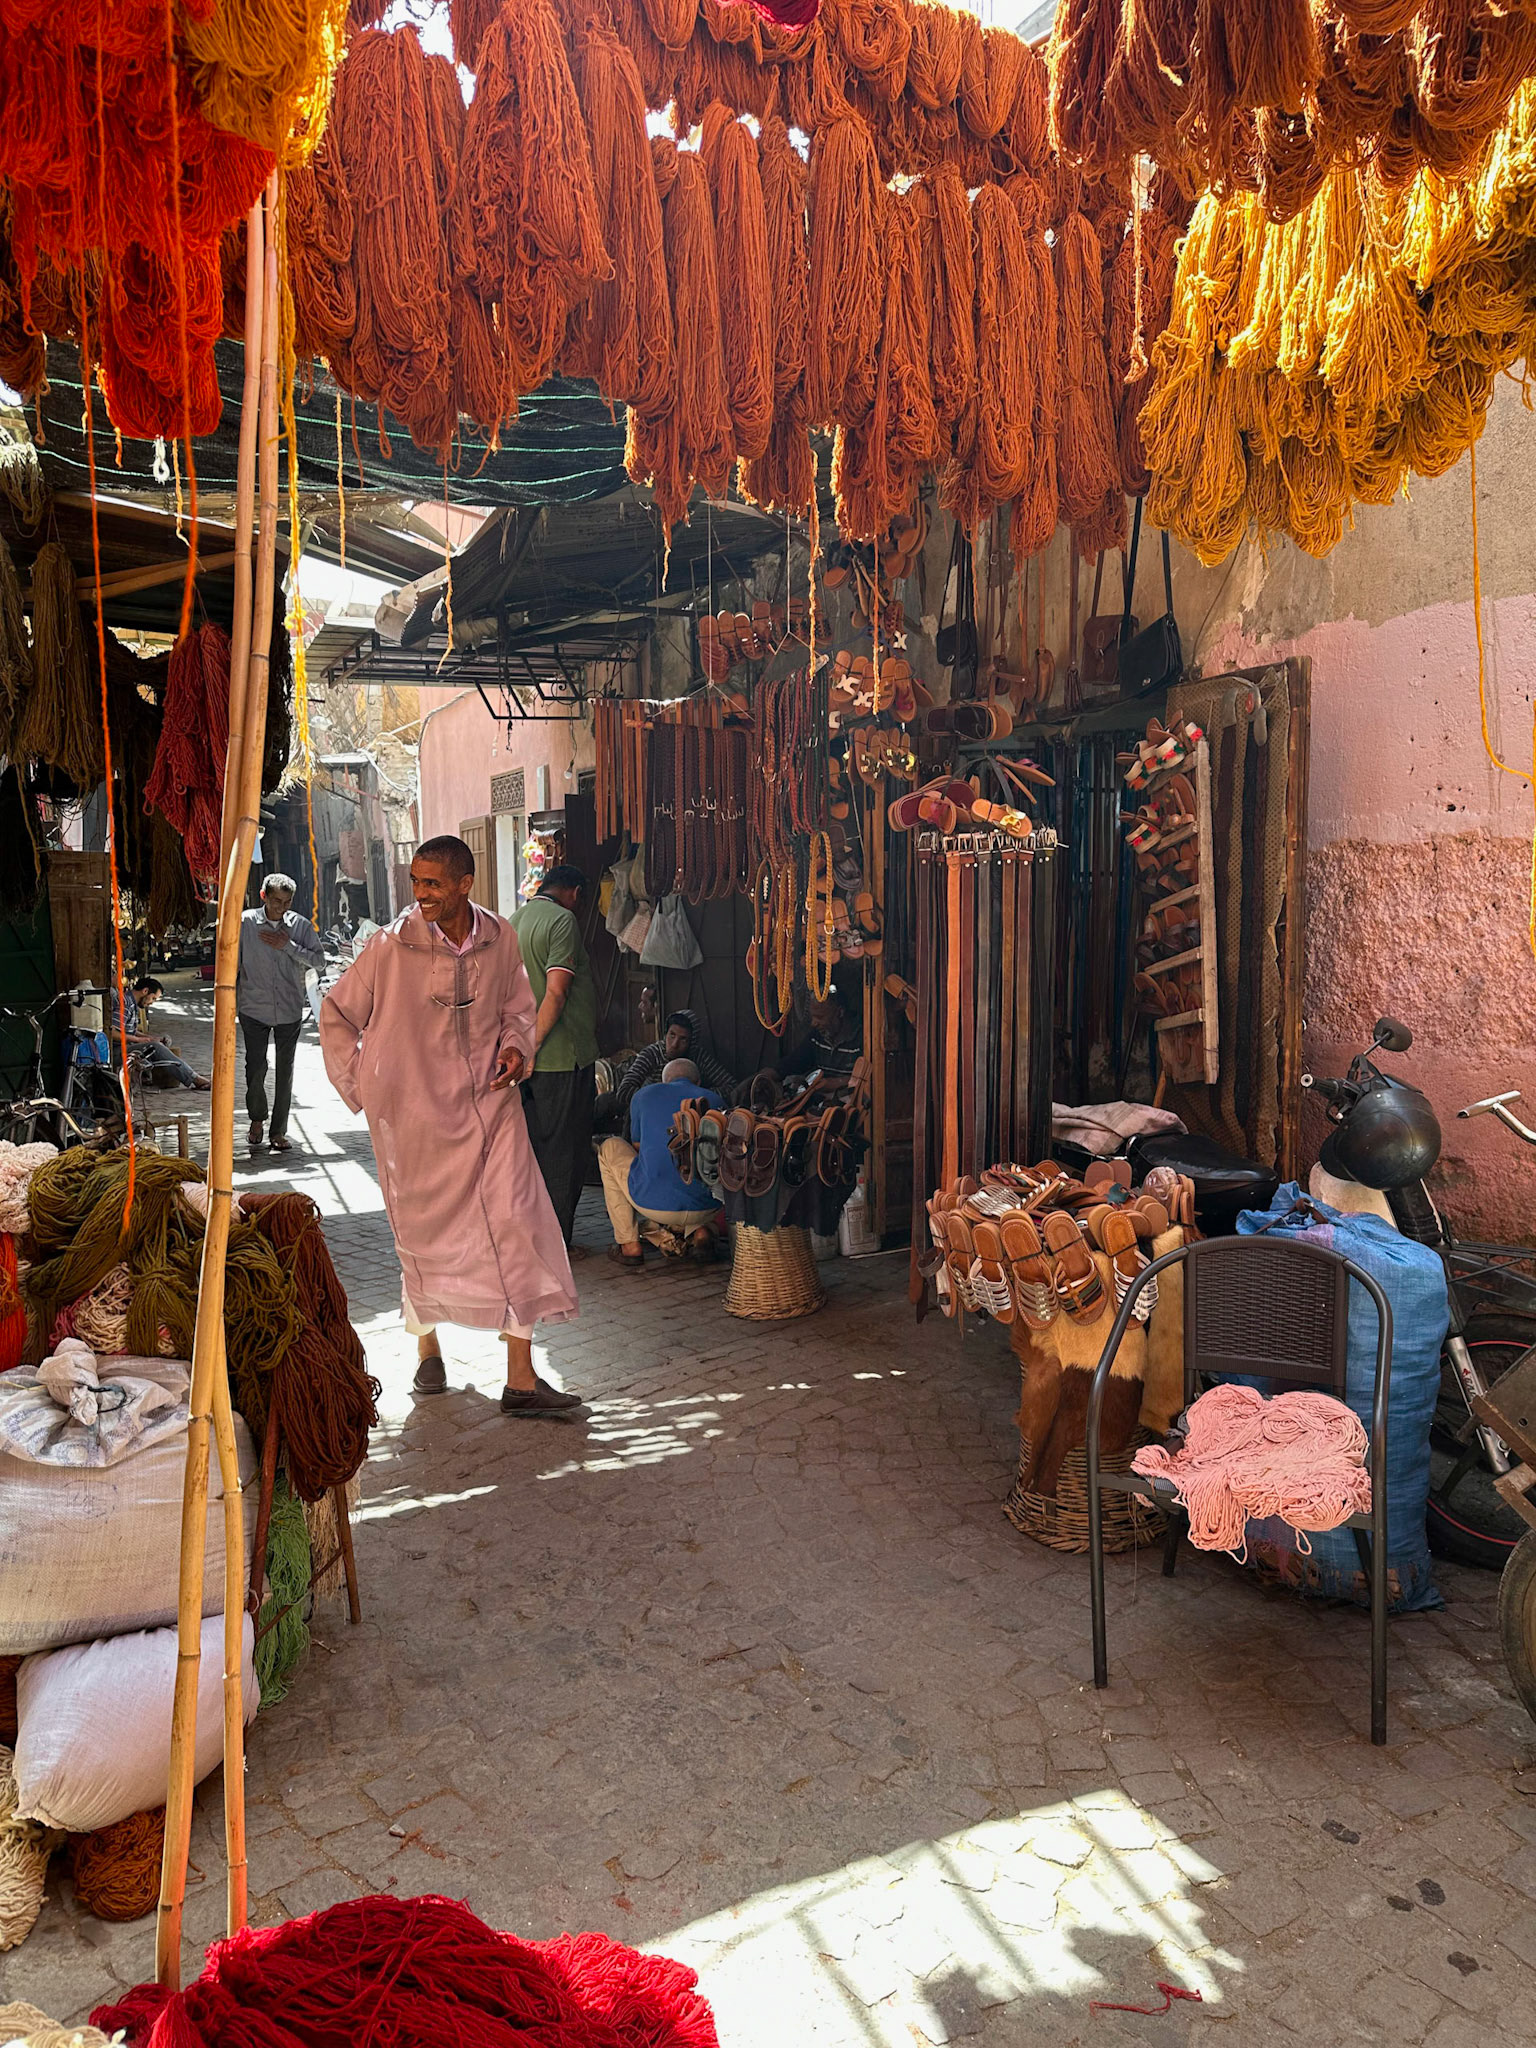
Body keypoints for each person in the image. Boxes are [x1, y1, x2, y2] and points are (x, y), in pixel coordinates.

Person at [320, 834, 581, 1417]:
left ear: (465, 884)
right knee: (420, 1237)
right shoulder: (390, 946)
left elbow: (518, 1008)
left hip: (491, 1108)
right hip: (413, 1121)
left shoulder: (501, 936)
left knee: (520, 1223)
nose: (421, 894)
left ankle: (520, 1380)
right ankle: (427, 1348)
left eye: (433, 883)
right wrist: (368, 1085)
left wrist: (517, 1048)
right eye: (416, 882)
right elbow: (336, 1013)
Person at [509, 864, 599, 1253]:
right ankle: (557, 1243)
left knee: (532, 1150)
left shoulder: (515, 920)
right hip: (562, 1057)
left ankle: (531, 1235)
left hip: (524, 1062)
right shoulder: (562, 922)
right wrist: (533, 1045)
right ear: (575, 892)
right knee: (565, 1153)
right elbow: (557, 993)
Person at [599, 1058, 723, 1269]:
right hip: (709, 1206)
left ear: (665, 1080)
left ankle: (629, 1245)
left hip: (653, 1204)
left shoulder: (644, 1096)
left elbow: (638, 1147)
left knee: (609, 1147)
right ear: (698, 1081)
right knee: (702, 1165)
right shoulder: (715, 1099)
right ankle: (700, 1230)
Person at [237, 872, 325, 1154]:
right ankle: (256, 1119)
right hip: (253, 1006)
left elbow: (319, 961)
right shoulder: (245, 923)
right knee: (256, 1067)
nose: (281, 908)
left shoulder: (299, 925)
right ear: (264, 896)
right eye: (276, 901)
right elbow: (231, 963)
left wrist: (287, 946)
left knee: (285, 1072)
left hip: (289, 1008)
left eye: (286, 903)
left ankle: (278, 1132)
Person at [605, 1009, 736, 1122]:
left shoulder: (698, 1057)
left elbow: (731, 1087)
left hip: (687, 1117)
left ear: (692, 1043)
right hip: (652, 1112)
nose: (674, 1044)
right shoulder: (653, 1054)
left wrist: (693, 1096)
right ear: (665, 1034)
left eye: (683, 1039)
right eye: (672, 1035)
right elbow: (624, 1090)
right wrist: (657, 1097)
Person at [109, 977, 210, 1089]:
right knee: (155, 1047)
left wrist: (149, 1038)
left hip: (126, 1046)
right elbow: (113, 1033)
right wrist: (141, 1040)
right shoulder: (126, 1003)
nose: (152, 1002)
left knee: (159, 1044)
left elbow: (129, 1031)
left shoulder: (132, 1003)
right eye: (153, 998)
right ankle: (194, 1078)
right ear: (145, 991)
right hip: (115, 1051)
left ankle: (162, 1076)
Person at [778, 985, 860, 1082]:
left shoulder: (861, 1038)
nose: (813, 1023)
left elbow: (865, 1080)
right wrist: (769, 1074)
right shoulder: (817, 1037)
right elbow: (793, 1063)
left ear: (840, 1012)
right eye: (812, 1017)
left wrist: (831, 1084)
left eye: (820, 1017)